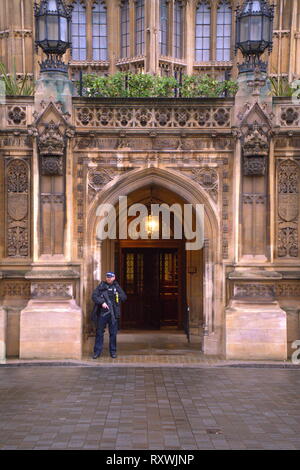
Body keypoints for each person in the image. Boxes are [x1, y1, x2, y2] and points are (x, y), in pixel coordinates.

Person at [91, 272, 127, 359]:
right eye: (107, 277)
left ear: (114, 278)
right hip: (103, 313)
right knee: (99, 333)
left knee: (113, 334)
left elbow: (124, 297)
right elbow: (94, 296)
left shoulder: (116, 287)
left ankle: (113, 352)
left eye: (110, 277)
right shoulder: (101, 286)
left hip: (113, 313)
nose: (109, 278)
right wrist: (102, 302)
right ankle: (97, 352)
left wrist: (117, 293)